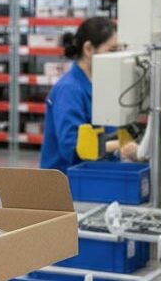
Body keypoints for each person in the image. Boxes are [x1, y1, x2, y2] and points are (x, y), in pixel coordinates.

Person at [39, 16, 138, 173]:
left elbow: (109, 132)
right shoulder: (69, 90)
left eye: (119, 50)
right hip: (66, 182)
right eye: (112, 50)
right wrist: (120, 145)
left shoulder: (102, 84)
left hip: (95, 173)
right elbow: (73, 149)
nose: (116, 56)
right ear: (88, 49)